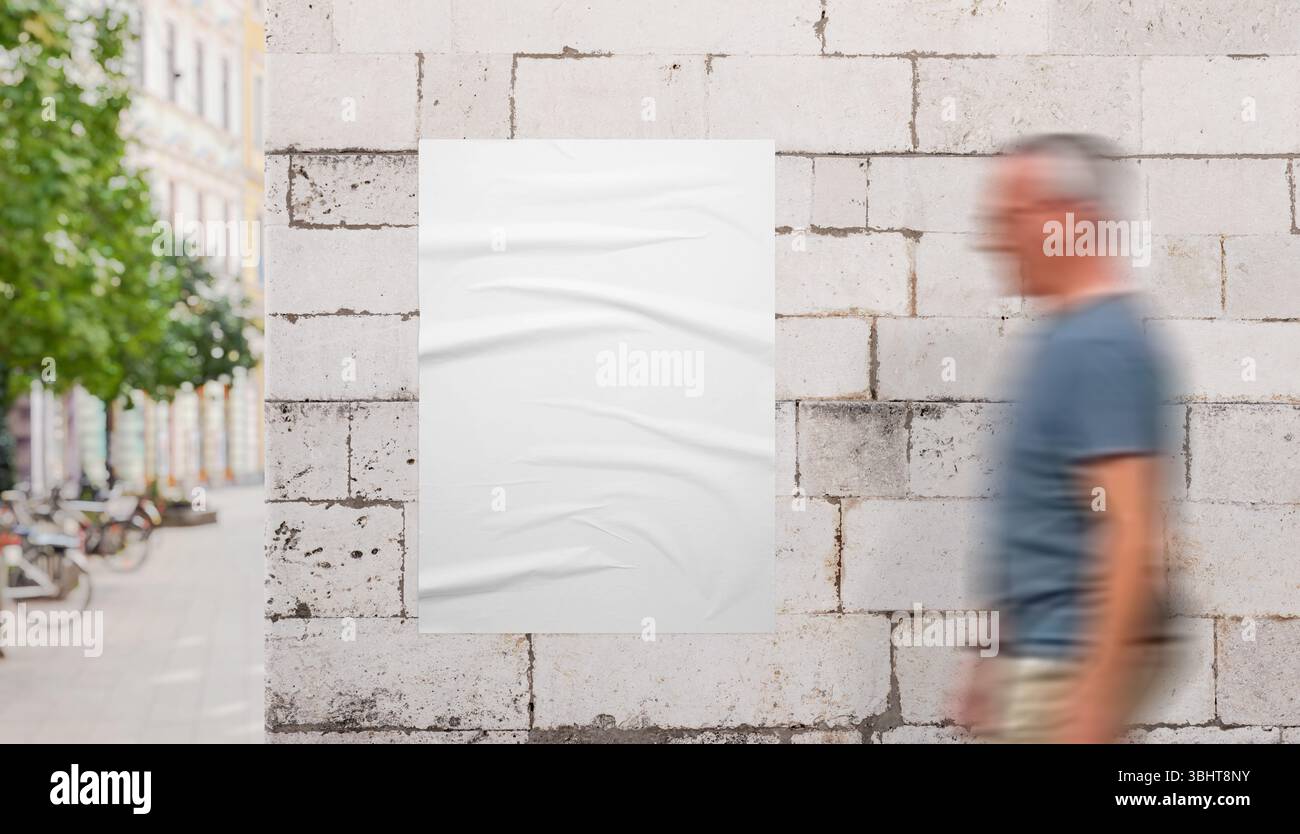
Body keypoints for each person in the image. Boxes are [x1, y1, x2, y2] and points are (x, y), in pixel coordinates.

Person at [959, 133, 1171, 743]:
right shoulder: (1064, 337)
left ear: (1070, 220)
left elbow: (1131, 532)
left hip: (1064, 665)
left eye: (1009, 217)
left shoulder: (1100, 345)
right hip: (1039, 656)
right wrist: (992, 655)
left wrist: (1094, 698)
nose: (993, 237)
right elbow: (1038, 520)